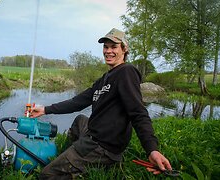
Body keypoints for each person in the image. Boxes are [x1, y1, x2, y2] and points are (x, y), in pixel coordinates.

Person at [30, 28, 172, 179]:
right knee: (80, 120)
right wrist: (45, 109)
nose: (108, 51)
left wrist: (152, 149)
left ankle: (76, 171)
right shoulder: (105, 78)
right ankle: (69, 156)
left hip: (101, 146)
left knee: (46, 175)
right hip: (94, 134)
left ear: (124, 49)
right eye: (106, 47)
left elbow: (138, 112)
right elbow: (77, 102)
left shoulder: (126, 72)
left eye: (114, 47)